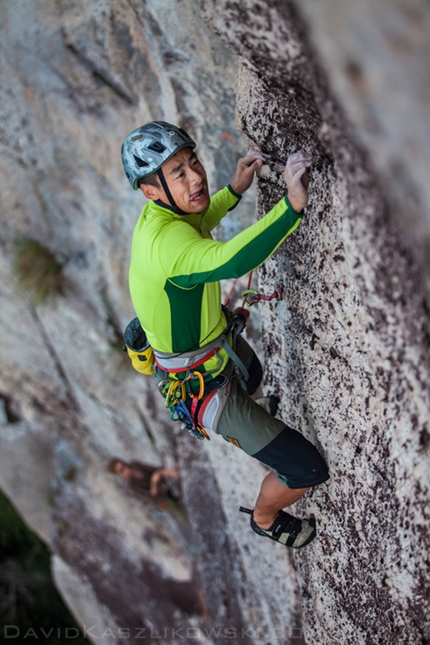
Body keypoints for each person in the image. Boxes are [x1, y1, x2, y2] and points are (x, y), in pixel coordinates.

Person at [121, 121, 329, 549]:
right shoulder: (166, 245)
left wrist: (234, 189)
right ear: (151, 189)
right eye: (177, 173)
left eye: (191, 162)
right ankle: (265, 517)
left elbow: (197, 220)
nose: (195, 176)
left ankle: (254, 418)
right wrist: (292, 205)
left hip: (217, 348)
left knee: (253, 377)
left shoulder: (162, 213)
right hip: (204, 386)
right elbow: (232, 259)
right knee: (306, 469)